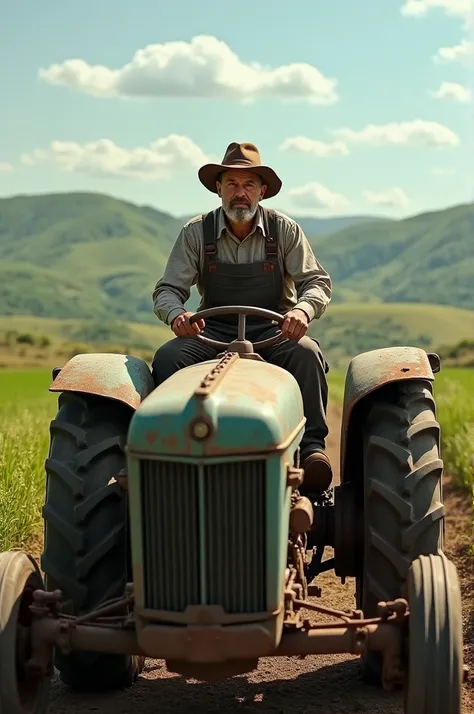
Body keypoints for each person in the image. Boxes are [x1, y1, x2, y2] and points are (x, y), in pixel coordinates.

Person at [151, 141, 333, 492]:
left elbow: (316, 282)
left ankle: (312, 449)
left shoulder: (284, 231)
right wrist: (177, 316)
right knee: (167, 357)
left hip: (275, 329)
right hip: (212, 331)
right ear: (218, 188)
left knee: (308, 353)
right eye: (232, 184)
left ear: (262, 191)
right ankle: (168, 452)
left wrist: (301, 310)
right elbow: (168, 290)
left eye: (249, 185)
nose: (240, 193)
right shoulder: (196, 232)